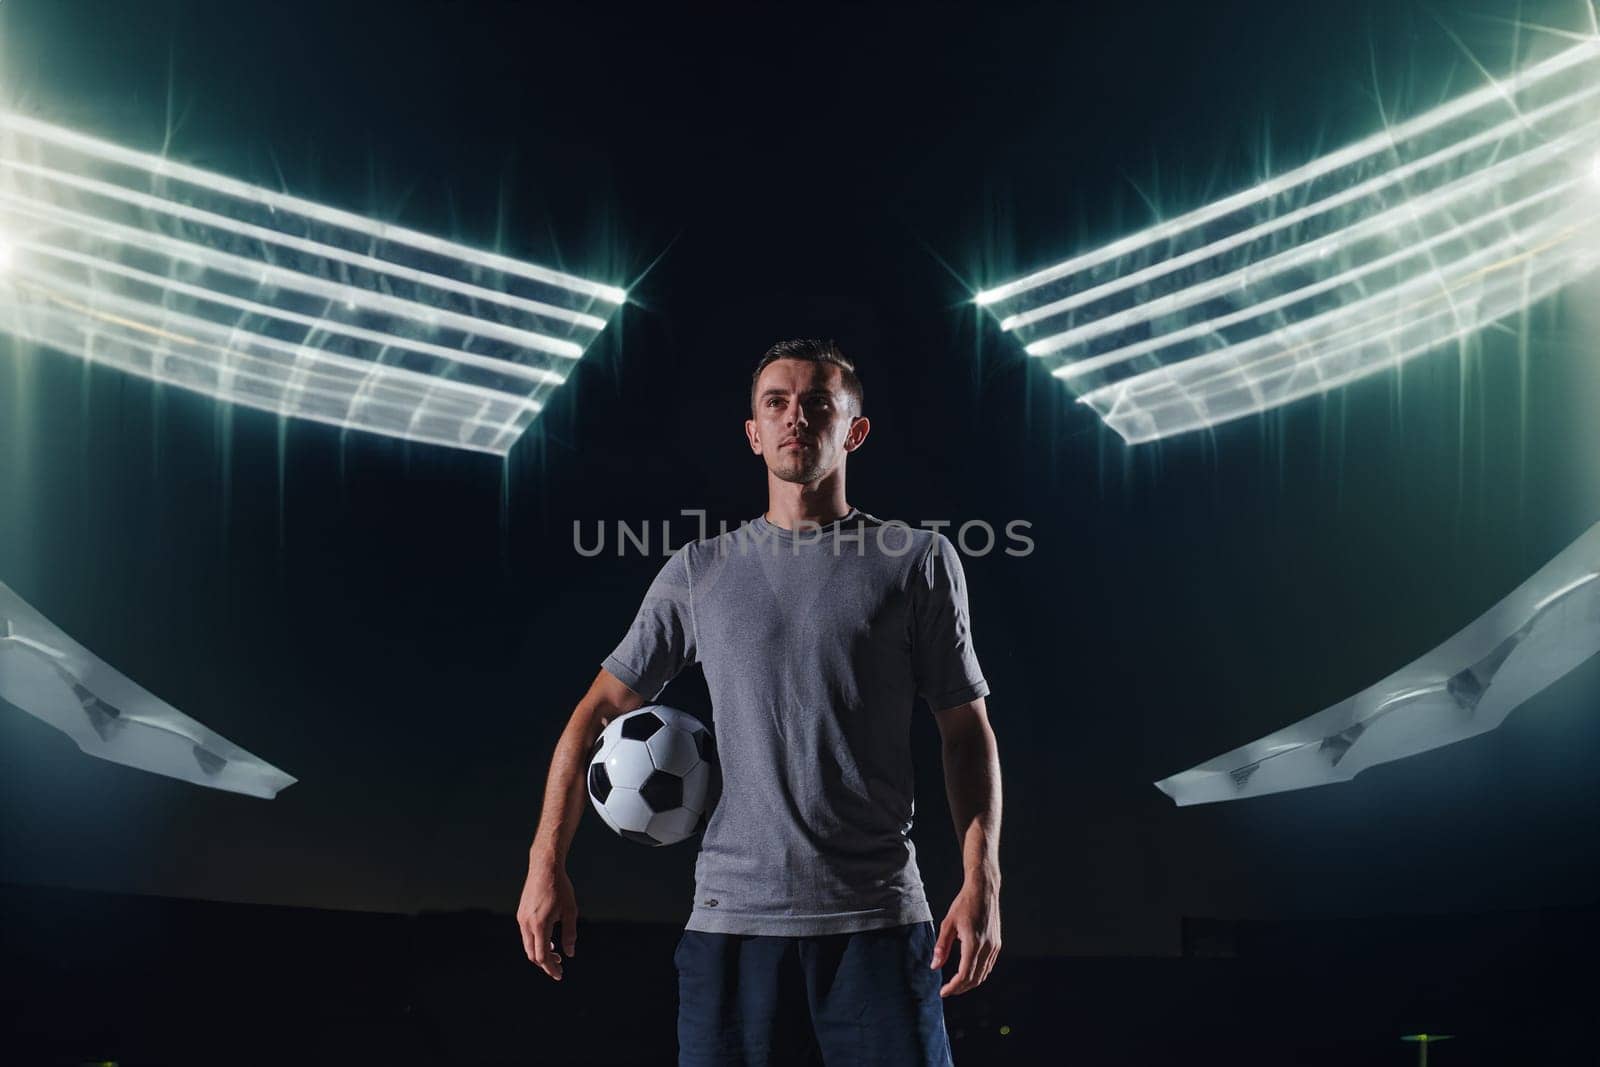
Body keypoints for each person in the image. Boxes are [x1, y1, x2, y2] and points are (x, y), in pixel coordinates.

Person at [517, 339, 1003, 1065]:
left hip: (877, 919)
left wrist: (983, 879)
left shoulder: (918, 560)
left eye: (818, 403)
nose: (794, 417)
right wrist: (544, 861)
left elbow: (965, 732)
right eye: (775, 402)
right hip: (730, 925)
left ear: (854, 430)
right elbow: (597, 712)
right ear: (753, 432)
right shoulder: (699, 570)